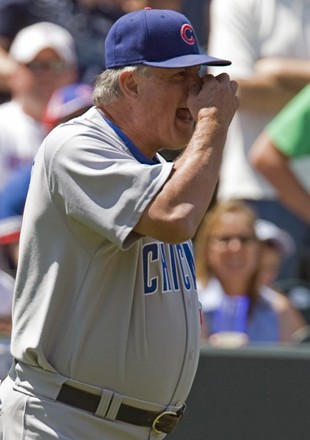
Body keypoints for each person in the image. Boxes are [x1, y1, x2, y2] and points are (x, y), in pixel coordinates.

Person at [0, 8, 238, 440]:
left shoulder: (161, 169)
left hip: (130, 426)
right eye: (178, 77)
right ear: (129, 83)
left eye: (198, 74)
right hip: (64, 419)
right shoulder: (75, 144)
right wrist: (213, 124)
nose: (198, 90)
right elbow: (174, 216)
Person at [207, 0, 310, 280]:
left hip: (271, 198)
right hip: (257, 197)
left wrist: (278, 73)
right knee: (256, 320)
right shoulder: (237, 3)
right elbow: (229, 90)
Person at [195, 200, 306, 346]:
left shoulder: (279, 308)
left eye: (244, 239)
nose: (235, 248)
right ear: (206, 248)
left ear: (258, 250)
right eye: (225, 239)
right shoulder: (189, 303)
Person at [0, 22, 77, 191]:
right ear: (14, 73)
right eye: (35, 66)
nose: (47, 75)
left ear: (73, 74)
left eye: (57, 66)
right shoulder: (2, 126)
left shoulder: (82, 129)